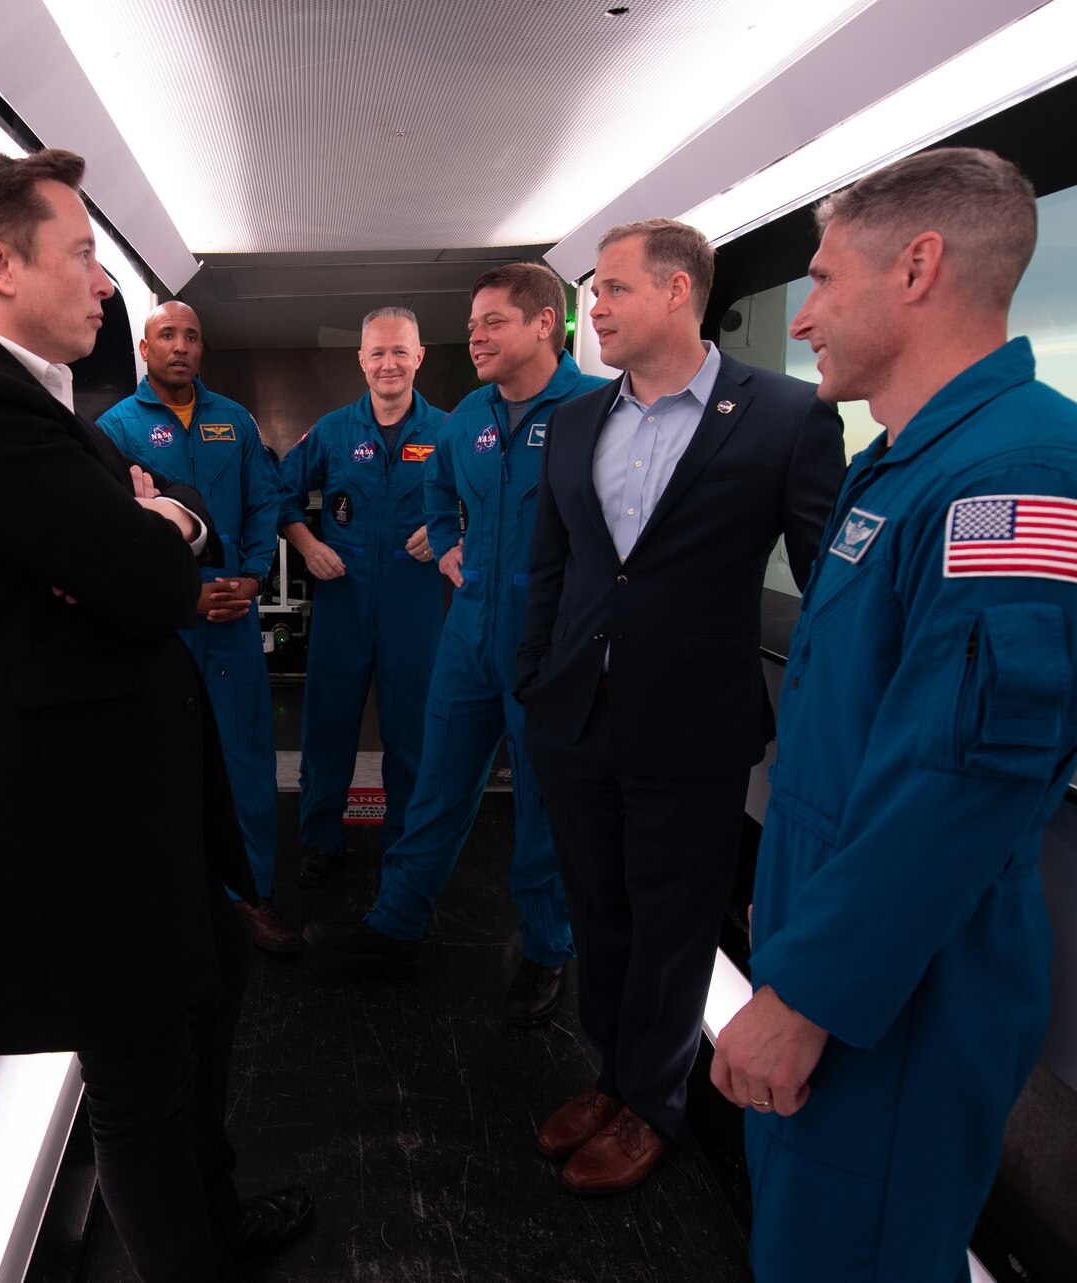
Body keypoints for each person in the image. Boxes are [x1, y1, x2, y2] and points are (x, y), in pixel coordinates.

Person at [709, 148, 1077, 1280]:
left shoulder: (1022, 479)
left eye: (818, 279)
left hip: (896, 991)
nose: (801, 315)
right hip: (839, 942)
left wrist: (808, 991)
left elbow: (958, 778)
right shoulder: (909, 467)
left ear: (916, 266)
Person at [0, 148, 310, 1283]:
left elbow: (162, 542)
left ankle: (212, 1222)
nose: (105, 286)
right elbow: (151, 579)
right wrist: (147, 532)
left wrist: (151, 522)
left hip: (136, 793)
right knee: (140, 1076)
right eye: (81, 255)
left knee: (209, 1001)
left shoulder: (26, 404)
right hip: (78, 812)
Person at [517, 220, 844, 1194]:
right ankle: (610, 1074)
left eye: (611, 290)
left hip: (692, 723)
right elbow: (553, 565)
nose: (595, 312)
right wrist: (535, 673)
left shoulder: (785, 416)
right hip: (574, 714)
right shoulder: (574, 420)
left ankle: (651, 1104)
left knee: (672, 922)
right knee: (598, 910)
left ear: (674, 292)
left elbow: (830, 586)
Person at [305, 263, 607, 1026]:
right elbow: (442, 493)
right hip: (469, 633)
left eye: (493, 322)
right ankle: (395, 926)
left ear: (546, 323)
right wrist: (445, 542)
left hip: (551, 641)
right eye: (471, 324)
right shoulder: (470, 415)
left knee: (541, 803)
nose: (475, 336)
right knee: (434, 783)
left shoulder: (597, 412)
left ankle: (546, 949)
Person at [98, 302, 293, 952]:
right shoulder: (115, 429)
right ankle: (175, 904)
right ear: (145, 347)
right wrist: (187, 598)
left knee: (245, 760)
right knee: (161, 765)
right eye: (168, 336)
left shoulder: (233, 422)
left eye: (192, 337)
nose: (180, 346)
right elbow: (116, 540)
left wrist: (256, 574)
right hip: (164, 628)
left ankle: (249, 898)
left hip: (234, 618)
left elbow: (265, 501)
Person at [276, 307, 446, 885]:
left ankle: (407, 849)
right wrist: (305, 544)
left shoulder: (449, 434)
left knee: (413, 737)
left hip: (416, 604)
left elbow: (487, 503)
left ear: (419, 356)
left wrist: (454, 529)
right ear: (361, 360)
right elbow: (280, 496)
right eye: (377, 352)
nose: (389, 363)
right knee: (327, 729)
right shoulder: (331, 432)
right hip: (343, 600)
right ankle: (322, 840)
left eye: (400, 351)